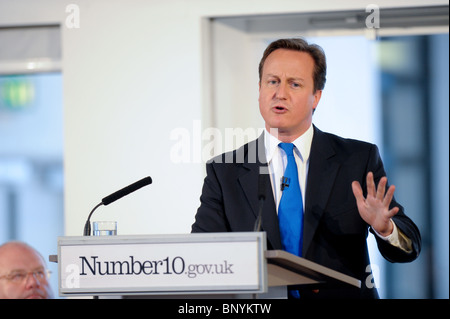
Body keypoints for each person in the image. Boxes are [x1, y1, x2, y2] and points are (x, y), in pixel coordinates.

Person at [191, 38, 421, 299]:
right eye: (272, 81)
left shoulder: (356, 159)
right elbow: (202, 256)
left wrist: (385, 228)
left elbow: (409, 248)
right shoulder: (225, 171)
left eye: (294, 84)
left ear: (316, 97)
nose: (280, 93)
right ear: (259, 89)